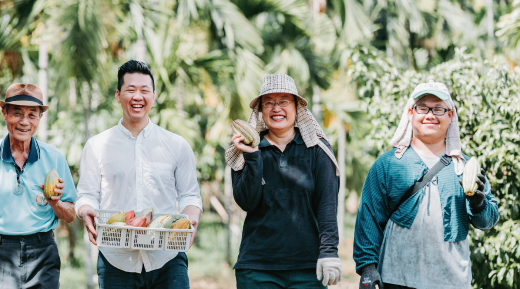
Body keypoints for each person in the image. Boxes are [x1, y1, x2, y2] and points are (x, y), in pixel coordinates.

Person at [353, 81, 499, 289]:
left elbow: (488, 221)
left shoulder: (466, 167)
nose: (430, 115)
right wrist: (367, 267)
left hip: (451, 280)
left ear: (450, 116)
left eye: (438, 109)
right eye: (423, 108)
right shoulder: (388, 164)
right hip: (396, 278)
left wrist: (478, 205)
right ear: (411, 113)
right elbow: (368, 218)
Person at [75, 60, 203, 289]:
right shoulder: (97, 145)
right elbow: (86, 194)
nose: (138, 96)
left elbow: (190, 195)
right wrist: (85, 211)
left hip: (168, 258)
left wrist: (191, 217)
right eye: (130, 90)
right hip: (116, 260)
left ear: (153, 96)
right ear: (118, 95)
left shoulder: (177, 145)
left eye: (144, 90)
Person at [225, 74, 343, 288]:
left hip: (308, 270)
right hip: (256, 270)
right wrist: (252, 155)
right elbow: (246, 202)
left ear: (297, 107)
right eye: (269, 102)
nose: (276, 108)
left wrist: (329, 252)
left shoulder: (317, 150)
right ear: (261, 110)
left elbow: (327, 205)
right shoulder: (244, 150)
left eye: (284, 101)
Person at [0, 83, 77, 289]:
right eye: (17, 113)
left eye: (32, 115)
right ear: (4, 113)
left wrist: (56, 203)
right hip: (0, 252)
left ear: (40, 118)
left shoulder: (55, 158)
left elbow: (70, 214)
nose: (24, 122)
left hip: (42, 250)